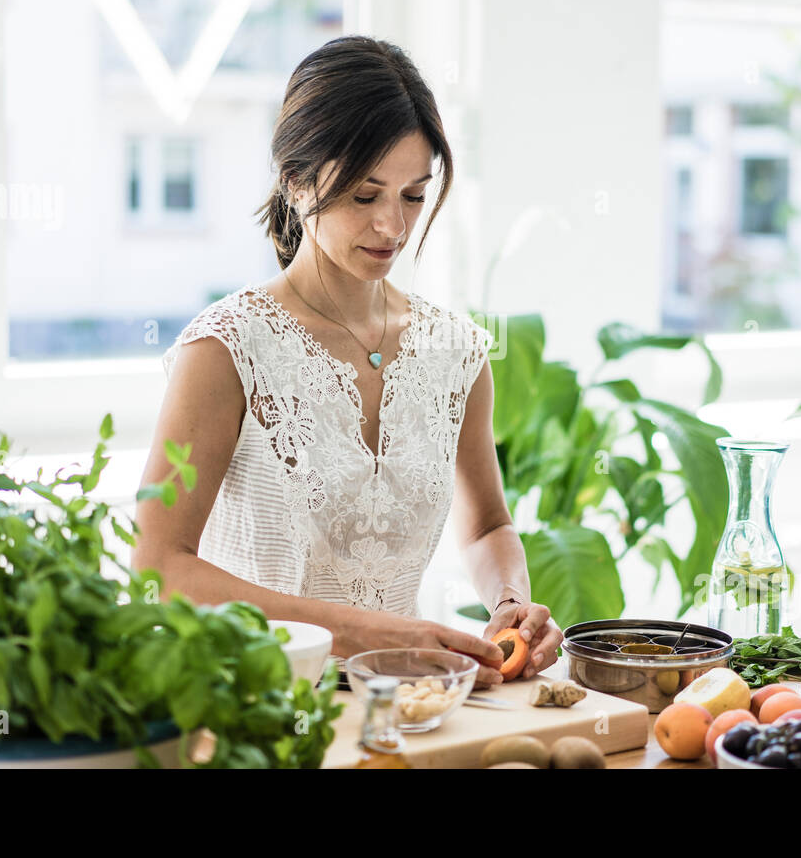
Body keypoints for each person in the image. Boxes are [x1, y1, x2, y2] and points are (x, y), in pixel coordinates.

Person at [133, 34, 562, 688]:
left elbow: (488, 526)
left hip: (409, 711)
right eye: (366, 196)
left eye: (414, 195)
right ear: (296, 180)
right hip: (249, 712)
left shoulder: (458, 352)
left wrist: (509, 603)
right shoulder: (225, 348)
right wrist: (363, 631)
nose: (393, 225)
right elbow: (160, 568)